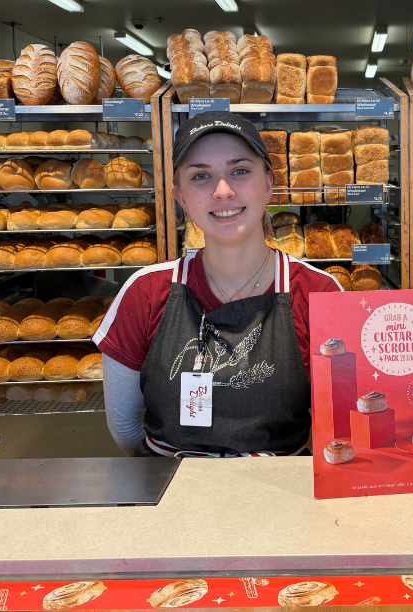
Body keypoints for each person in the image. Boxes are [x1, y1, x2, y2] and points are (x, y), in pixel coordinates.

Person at [94, 111, 341, 457]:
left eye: (240, 171)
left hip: (280, 487)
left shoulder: (319, 293)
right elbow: (126, 429)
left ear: (268, 184)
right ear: (181, 197)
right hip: (170, 483)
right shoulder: (145, 292)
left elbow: (338, 424)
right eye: (201, 176)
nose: (223, 191)